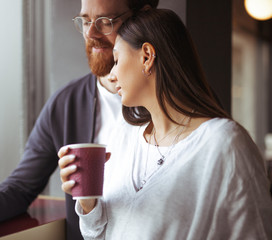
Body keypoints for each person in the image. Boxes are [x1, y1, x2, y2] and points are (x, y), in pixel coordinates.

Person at [0, 0, 159, 239]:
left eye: (105, 22)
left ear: (142, 18)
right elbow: (21, 185)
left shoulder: (172, 108)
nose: (90, 33)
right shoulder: (66, 104)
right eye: (85, 21)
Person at [58, 8, 272, 239]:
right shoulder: (123, 136)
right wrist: (88, 201)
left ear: (147, 56)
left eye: (117, 60)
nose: (111, 75)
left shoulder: (225, 144)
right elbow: (97, 235)